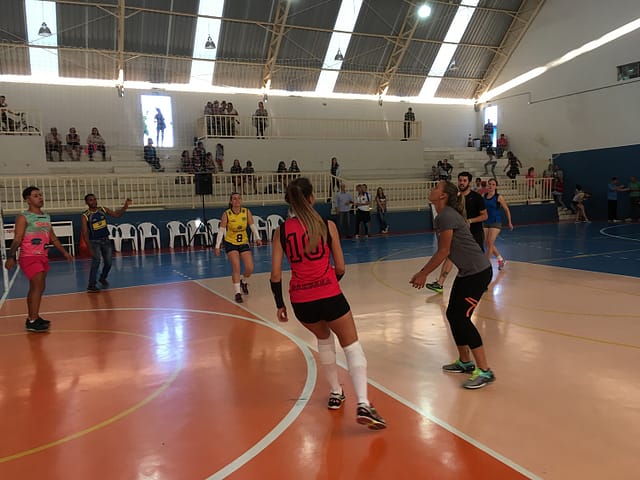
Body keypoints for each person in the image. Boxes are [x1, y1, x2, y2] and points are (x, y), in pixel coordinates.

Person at [270, 177, 386, 428]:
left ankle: (336, 392)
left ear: (289, 202)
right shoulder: (326, 225)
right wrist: (329, 285)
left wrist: (280, 304)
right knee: (351, 346)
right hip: (329, 294)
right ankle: (363, 403)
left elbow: (275, 275)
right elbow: (340, 267)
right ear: (311, 198)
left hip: (301, 301)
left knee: (324, 341)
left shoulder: (281, 231)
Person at [410, 180, 495, 389]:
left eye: (436, 187)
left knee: (462, 318)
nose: (432, 189)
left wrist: (423, 273)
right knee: (452, 314)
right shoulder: (443, 216)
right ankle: (465, 362)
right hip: (467, 272)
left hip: (478, 273)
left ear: (443, 196)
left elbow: (443, 251)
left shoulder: (447, 216)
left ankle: (485, 371)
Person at [4, 186, 73, 332]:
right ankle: (32, 320)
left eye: (40, 195)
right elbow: (17, 238)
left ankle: (33, 316)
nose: (40, 197)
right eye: (36, 195)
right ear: (27, 200)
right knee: (37, 285)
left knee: (39, 287)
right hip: (29, 256)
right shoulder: (23, 217)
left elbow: (53, 238)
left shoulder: (46, 217)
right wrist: (11, 256)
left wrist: (64, 252)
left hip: (43, 256)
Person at [427, 172, 487, 294]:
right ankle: (440, 283)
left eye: (464, 180)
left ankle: (481, 282)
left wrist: (470, 221)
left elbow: (484, 216)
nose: (462, 182)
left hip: (474, 233)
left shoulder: (476, 197)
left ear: (469, 182)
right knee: (450, 255)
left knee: (476, 258)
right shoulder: (454, 198)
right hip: (457, 232)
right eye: (460, 180)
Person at [214, 193, 262, 303]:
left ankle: (243, 281)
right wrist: (217, 246)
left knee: (250, 267)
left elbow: (252, 226)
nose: (237, 200)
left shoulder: (246, 212)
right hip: (231, 243)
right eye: (234, 199)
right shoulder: (227, 214)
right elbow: (221, 230)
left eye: (239, 198)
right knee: (236, 267)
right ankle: (237, 293)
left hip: (243, 242)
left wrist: (258, 238)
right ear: (231, 202)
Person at [81, 194, 132, 292]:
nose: (93, 201)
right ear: (87, 202)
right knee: (96, 262)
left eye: (94, 199)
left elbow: (117, 215)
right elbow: (85, 232)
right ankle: (91, 285)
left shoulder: (103, 210)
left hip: (105, 240)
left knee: (108, 263)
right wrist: (89, 247)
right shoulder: (85, 215)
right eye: (91, 200)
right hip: (94, 242)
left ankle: (102, 277)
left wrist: (125, 206)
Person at [483, 179, 513, 270]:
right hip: (486, 222)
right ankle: (500, 259)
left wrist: (509, 222)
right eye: (489, 184)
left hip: (496, 222)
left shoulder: (498, 197)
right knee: (487, 243)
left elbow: (506, 210)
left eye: (493, 184)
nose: (491, 186)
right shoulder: (483, 196)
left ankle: (486, 265)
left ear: (496, 186)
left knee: (490, 243)